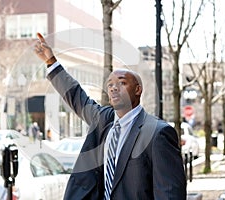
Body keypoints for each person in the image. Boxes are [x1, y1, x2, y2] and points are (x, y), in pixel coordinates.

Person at [33, 33, 186, 199]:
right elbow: (77, 96)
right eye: (110, 84)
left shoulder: (157, 133)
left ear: (137, 89)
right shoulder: (102, 120)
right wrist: (51, 62)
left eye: (121, 82)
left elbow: (170, 193)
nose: (113, 88)